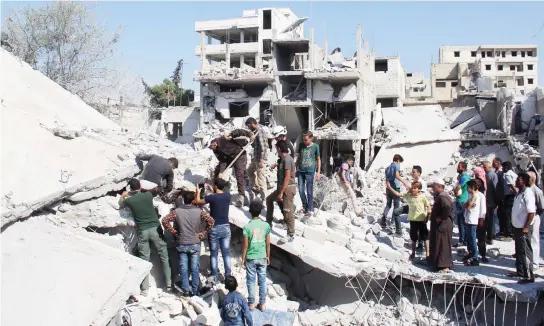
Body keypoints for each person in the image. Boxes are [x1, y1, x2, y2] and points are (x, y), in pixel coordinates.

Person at [119, 178, 172, 295]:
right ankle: (168, 283)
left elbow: (120, 204)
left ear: (130, 189)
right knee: (164, 255)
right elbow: (155, 188)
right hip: (155, 230)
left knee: (144, 260)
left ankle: (145, 289)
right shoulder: (148, 195)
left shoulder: (130, 201)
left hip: (142, 231)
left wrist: (124, 195)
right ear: (140, 187)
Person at [162, 188, 215, 296]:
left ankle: (185, 290)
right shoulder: (199, 212)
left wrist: (174, 232)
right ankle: (195, 291)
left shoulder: (176, 212)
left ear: (183, 200)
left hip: (182, 243)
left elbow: (165, 221)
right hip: (195, 243)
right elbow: (211, 221)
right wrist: (203, 233)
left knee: (183, 268)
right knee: (195, 268)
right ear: (192, 200)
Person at [193, 178, 232, 282]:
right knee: (226, 253)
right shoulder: (228, 196)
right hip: (226, 227)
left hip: (214, 228)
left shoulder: (212, 197)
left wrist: (197, 191)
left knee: (214, 253)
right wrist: (212, 189)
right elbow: (219, 196)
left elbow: (198, 201)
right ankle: (228, 275)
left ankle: (214, 275)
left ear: (215, 186)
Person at [206, 128, 255, 207]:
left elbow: (238, 131)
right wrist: (221, 172)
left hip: (240, 155)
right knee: (218, 171)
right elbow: (222, 161)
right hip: (229, 159)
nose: (211, 149)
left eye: (211, 147)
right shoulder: (215, 150)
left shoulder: (223, 138)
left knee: (239, 174)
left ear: (214, 143)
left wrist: (250, 135)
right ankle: (217, 192)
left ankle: (241, 197)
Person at [387, 181, 431, 257]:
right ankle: (413, 253)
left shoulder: (422, 197)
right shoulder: (409, 196)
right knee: (413, 237)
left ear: (419, 189)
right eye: (412, 187)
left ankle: (427, 254)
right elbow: (398, 194)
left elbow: (428, 205)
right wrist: (389, 187)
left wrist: (429, 212)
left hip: (422, 220)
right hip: (413, 220)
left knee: (425, 237)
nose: (413, 189)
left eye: (415, 188)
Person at [242, 201, 271, 311]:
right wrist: (268, 256)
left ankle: (251, 304)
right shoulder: (266, 225)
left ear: (250, 211)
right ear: (260, 211)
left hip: (251, 256)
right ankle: (262, 304)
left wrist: (243, 258)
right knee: (262, 280)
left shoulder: (247, 227)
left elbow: (245, 245)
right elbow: (268, 243)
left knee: (251, 280)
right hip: (262, 256)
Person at [266, 140, 297, 242]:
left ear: (279, 148)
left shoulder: (287, 160)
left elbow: (287, 178)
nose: (276, 150)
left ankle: (290, 234)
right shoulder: (282, 159)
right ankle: (269, 222)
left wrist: (281, 193)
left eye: (276, 148)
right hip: (282, 187)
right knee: (269, 199)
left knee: (288, 211)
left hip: (287, 188)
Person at [507, 172, 535, 284]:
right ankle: (520, 272)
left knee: (525, 251)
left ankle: (529, 276)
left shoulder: (528, 193)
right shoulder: (519, 193)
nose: (516, 181)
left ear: (524, 181)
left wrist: (526, 227)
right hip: (517, 227)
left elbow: (531, 212)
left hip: (524, 228)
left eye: (518, 179)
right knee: (518, 251)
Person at [429, 179, 454, 273]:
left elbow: (447, 207)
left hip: (444, 224)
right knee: (439, 243)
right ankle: (439, 263)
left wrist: (441, 217)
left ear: (439, 186)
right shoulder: (440, 196)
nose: (433, 188)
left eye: (434, 186)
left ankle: (443, 265)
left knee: (443, 244)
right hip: (442, 223)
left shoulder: (443, 196)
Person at [296, 131, 321, 217]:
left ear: (311, 138)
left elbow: (318, 159)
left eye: (306, 139)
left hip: (310, 172)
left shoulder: (315, 147)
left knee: (309, 191)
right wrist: (296, 168)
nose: (305, 141)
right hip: (301, 171)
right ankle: (305, 207)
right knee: (301, 190)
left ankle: (310, 209)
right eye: (303, 140)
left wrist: (318, 172)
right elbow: (299, 157)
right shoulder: (301, 145)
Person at [463, 180, 486, 266]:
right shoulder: (470, 195)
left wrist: (481, 219)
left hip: (474, 220)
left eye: (468, 187)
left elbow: (482, 209)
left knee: (473, 239)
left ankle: (475, 257)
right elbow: (466, 205)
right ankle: (470, 253)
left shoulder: (480, 196)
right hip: (468, 219)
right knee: (469, 238)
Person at [245, 117, 268, 201]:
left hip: (260, 159)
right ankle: (256, 187)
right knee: (249, 171)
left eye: (248, 126)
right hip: (256, 158)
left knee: (261, 179)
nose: (248, 127)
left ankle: (264, 199)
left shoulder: (260, 131)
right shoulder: (255, 133)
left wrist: (261, 160)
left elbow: (264, 147)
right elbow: (255, 146)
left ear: (252, 123)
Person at [382, 154, 405, 228]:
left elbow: (386, 179)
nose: (399, 163)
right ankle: (393, 222)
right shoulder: (396, 165)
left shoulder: (388, 167)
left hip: (388, 188)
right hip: (395, 188)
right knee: (396, 206)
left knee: (388, 204)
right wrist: (405, 183)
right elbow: (397, 175)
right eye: (400, 162)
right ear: (398, 160)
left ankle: (383, 220)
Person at [498, 161, 517, 241]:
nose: (502, 169)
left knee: (507, 215)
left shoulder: (508, 174)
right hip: (512, 196)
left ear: (506, 167)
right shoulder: (513, 173)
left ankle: (508, 234)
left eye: (503, 167)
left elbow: (510, 184)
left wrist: (516, 193)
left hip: (510, 196)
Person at [453, 161, 471, 248]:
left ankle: (464, 240)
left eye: (459, 166)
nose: (457, 168)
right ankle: (463, 239)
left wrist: (454, 190)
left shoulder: (464, 177)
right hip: (460, 200)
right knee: (460, 222)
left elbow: (459, 187)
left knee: (463, 222)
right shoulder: (462, 177)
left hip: (462, 200)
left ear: (463, 168)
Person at [527, 171, 543, 268]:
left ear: (532, 179)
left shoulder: (537, 191)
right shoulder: (527, 189)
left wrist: (535, 216)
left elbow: (541, 207)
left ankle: (535, 262)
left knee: (534, 239)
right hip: (527, 217)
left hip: (534, 216)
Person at [482, 161, 498, 245]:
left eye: (485, 167)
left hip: (490, 201)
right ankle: (490, 235)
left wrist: (495, 200)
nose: (483, 169)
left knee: (490, 219)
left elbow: (495, 188)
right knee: (488, 219)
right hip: (488, 200)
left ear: (489, 167)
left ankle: (490, 236)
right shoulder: (487, 175)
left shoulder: (491, 175)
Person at [493, 157, 506, 239]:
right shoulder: (496, 171)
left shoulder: (501, 172)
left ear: (498, 163)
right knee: (499, 214)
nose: (493, 164)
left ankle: (504, 231)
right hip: (497, 195)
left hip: (501, 196)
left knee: (502, 214)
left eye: (494, 162)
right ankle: (501, 230)